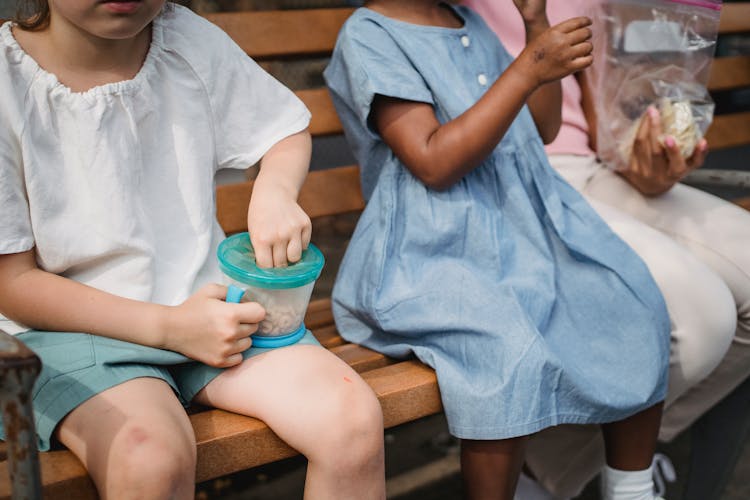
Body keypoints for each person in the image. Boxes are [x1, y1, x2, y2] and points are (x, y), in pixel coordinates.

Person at [0, 1, 386, 499]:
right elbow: (13, 283)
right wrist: (168, 328)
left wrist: (273, 191)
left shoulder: (185, 40)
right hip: (70, 332)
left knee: (351, 418)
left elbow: (283, 131)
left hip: (211, 316)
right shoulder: (7, 85)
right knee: (149, 456)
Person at [324, 1, 673, 499]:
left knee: (630, 300)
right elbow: (431, 161)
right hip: (431, 253)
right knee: (507, 353)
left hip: (520, 227)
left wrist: (535, 29)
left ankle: (632, 489)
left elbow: (544, 128)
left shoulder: (469, 22)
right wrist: (529, 68)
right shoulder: (369, 36)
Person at [462, 0, 750, 498]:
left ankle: (555, 468)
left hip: (589, 170)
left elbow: (597, 103)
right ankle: (616, 469)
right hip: (498, 178)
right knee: (699, 316)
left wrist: (641, 158)